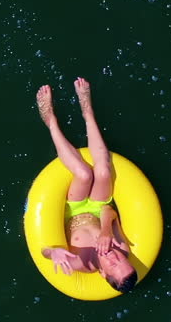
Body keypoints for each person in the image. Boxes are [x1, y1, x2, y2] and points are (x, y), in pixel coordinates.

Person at [35, 78, 138, 293]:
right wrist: (107, 232)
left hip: (71, 212)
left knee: (83, 174)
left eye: (112, 265)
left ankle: (50, 120)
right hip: (96, 210)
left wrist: (53, 252)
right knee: (102, 172)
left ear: (102, 273)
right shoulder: (120, 248)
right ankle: (87, 111)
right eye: (121, 260)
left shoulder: (81, 264)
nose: (114, 257)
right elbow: (108, 210)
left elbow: (43, 249)